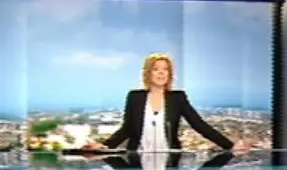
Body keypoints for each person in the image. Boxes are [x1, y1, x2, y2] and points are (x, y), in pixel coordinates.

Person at [98, 53, 245, 154]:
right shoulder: (135, 97)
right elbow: (127, 129)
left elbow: (199, 125)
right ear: (148, 73)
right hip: (137, 159)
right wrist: (104, 146)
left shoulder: (177, 98)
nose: (161, 73)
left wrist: (229, 145)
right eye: (156, 69)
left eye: (165, 69)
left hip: (169, 160)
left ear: (169, 74)